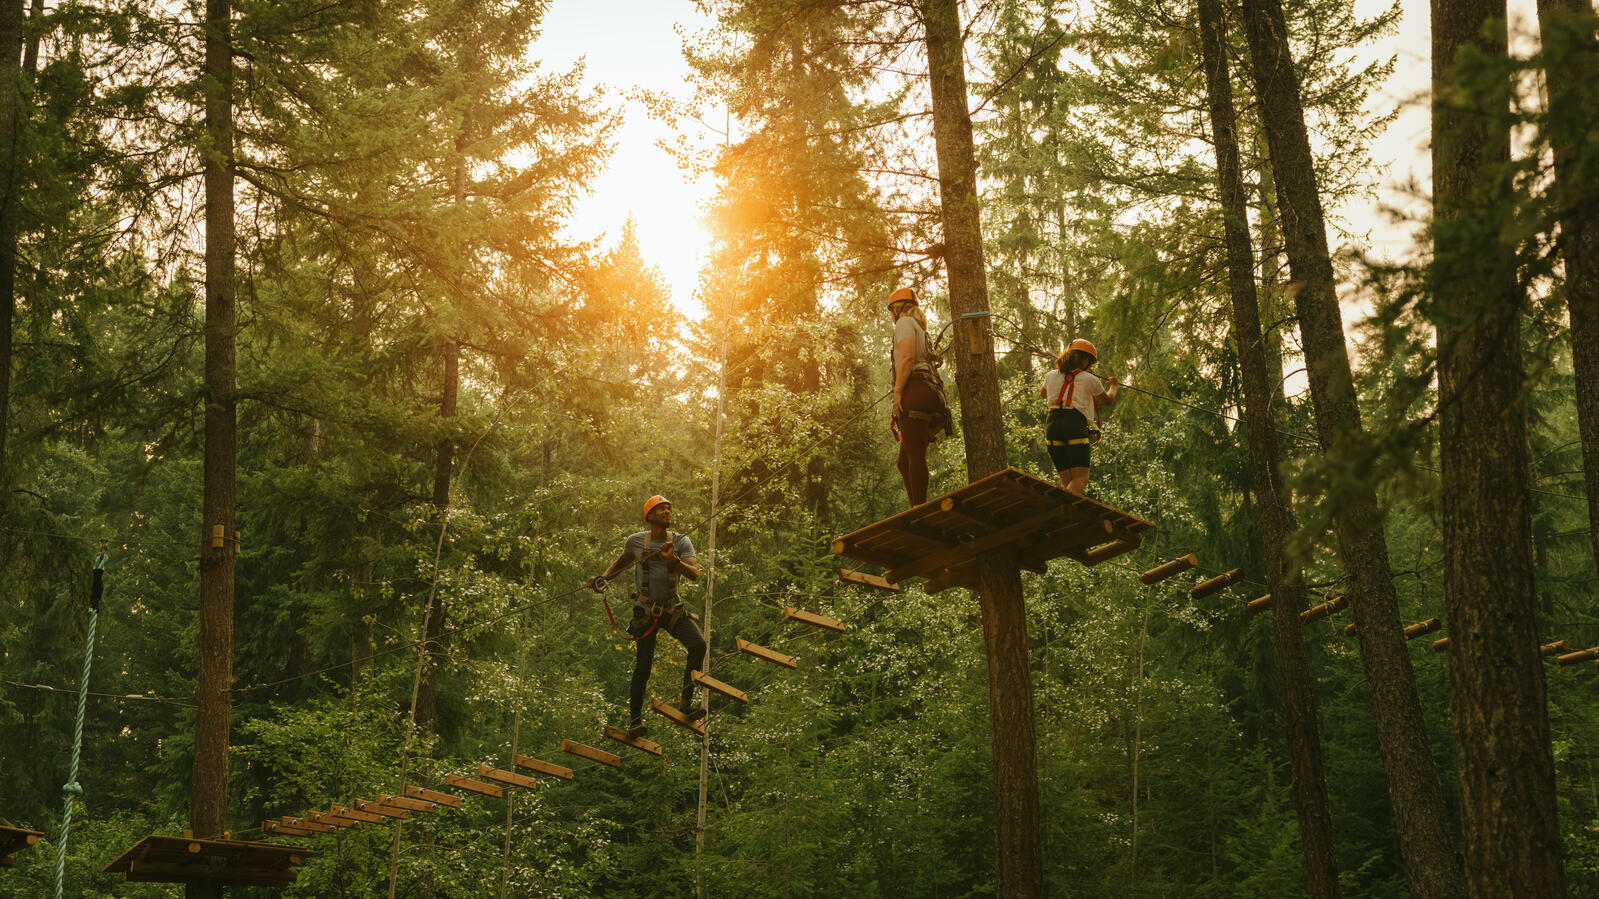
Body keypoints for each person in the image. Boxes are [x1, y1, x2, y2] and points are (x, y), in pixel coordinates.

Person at [590, 495, 706, 737]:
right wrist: (602, 579)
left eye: (669, 508)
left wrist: (672, 560)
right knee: (643, 665)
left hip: (671, 609)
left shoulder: (682, 542)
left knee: (698, 645)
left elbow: (694, 574)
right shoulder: (635, 542)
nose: (667, 512)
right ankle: (635, 721)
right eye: (662, 509)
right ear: (650, 516)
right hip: (645, 611)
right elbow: (619, 564)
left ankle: (686, 702)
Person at [887, 287, 952, 507]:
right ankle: (917, 505)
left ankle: (919, 509)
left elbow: (906, 357)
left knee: (914, 455)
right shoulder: (920, 329)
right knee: (904, 461)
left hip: (914, 390)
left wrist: (897, 393)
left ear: (897, 309)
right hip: (929, 391)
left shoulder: (904, 323)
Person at [1040, 338, 1118, 496]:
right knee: (1081, 478)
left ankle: (1062, 513)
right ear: (1086, 360)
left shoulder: (1051, 375)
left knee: (1068, 481)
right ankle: (1059, 511)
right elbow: (1107, 400)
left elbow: (1043, 393)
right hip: (1074, 425)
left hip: (1052, 425)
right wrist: (1114, 386)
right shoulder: (1091, 380)